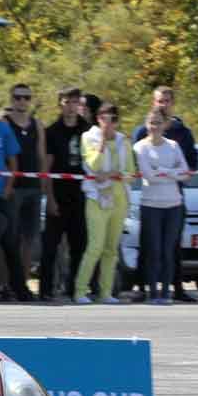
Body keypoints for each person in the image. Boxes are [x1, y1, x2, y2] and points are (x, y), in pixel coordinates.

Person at [132, 86, 198, 302]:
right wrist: (171, 173)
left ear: (173, 103)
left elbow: (189, 166)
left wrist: (167, 172)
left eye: (167, 101)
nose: (163, 105)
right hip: (150, 200)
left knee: (172, 247)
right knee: (149, 246)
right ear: (153, 103)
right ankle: (143, 289)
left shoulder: (182, 134)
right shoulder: (141, 135)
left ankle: (175, 289)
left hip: (175, 197)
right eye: (160, 101)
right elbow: (144, 171)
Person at [75, 103, 132, 304]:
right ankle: (80, 291)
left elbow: (130, 171)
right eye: (104, 119)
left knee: (111, 248)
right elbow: (93, 165)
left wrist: (112, 174)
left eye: (113, 119)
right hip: (97, 197)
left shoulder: (123, 141)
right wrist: (102, 143)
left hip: (119, 198)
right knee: (95, 246)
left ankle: (105, 292)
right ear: (98, 119)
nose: (108, 123)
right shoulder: (88, 137)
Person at [41, 87, 89, 301]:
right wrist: (50, 199)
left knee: (79, 246)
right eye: (67, 102)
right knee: (50, 246)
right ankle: (45, 290)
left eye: (75, 102)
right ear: (60, 104)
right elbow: (47, 167)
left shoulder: (88, 130)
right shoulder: (52, 131)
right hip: (58, 195)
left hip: (82, 196)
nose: (71, 106)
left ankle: (74, 289)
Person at [1, 83, 46, 301]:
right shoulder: (4, 123)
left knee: (29, 238)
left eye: (26, 97)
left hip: (33, 187)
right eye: (18, 97)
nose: (22, 101)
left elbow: (41, 154)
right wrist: (6, 185)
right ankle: (4, 284)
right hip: (12, 187)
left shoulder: (37, 124)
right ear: (11, 99)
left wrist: (44, 184)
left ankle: (24, 283)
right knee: (10, 239)